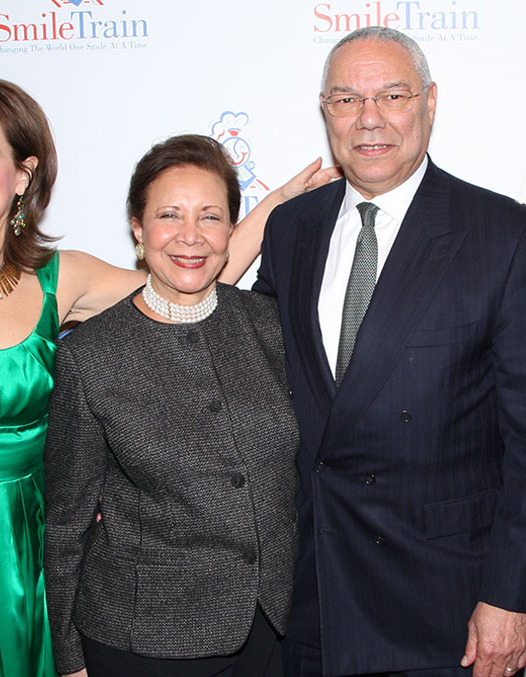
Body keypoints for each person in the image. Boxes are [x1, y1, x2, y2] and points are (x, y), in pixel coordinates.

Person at [0, 78, 336, 677]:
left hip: (23, 555)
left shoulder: (59, 278)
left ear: (22, 174)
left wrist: (272, 206)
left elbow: (187, 279)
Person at [254, 26, 526, 677]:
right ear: (325, 111)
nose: (368, 118)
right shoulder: (291, 227)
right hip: (312, 599)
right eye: (346, 100)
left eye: (392, 95)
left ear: (429, 102)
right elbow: (251, 379)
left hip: (447, 610)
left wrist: (510, 594)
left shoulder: (502, 232)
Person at [43, 135, 298, 677]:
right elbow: (66, 523)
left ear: (232, 230)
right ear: (138, 228)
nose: (191, 236)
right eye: (169, 215)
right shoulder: (91, 355)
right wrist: (69, 661)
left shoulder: (268, 325)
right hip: (146, 643)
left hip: (271, 629)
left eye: (210, 216)